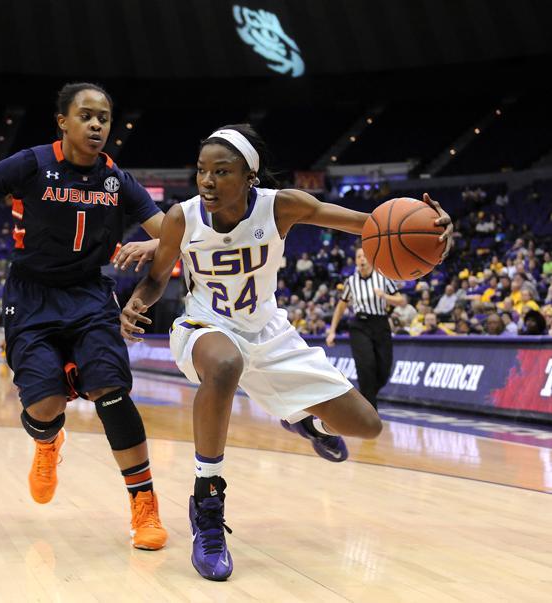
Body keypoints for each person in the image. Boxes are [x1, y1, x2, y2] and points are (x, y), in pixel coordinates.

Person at [119, 124, 453, 580]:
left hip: (269, 333)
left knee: (366, 425)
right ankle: (207, 505)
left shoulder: (283, 207)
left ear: (250, 176)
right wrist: (136, 303)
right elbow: (158, 278)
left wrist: (433, 229)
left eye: (222, 171)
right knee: (224, 363)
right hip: (204, 327)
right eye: (201, 171)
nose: (208, 182)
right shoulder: (182, 217)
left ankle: (306, 420)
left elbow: (371, 226)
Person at [0, 82, 168, 550]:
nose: (97, 124)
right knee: (44, 408)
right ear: (63, 122)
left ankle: (144, 506)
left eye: (104, 117)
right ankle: (46, 442)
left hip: (89, 297)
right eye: (86, 115)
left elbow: (173, 233)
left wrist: (156, 242)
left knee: (113, 393)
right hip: (32, 297)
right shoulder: (29, 164)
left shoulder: (118, 180)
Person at [326, 248, 407, 410]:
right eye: (358, 257)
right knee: (366, 366)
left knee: (384, 370)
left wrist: (385, 296)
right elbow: (341, 306)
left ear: (371, 259)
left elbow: (401, 300)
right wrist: (332, 330)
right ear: (355, 261)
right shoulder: (351, 281)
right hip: (359, 326)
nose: (362, 259)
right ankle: (370, 412)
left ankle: (365, 397)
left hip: (380, 323)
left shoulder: (383, 277)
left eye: (365, 256)